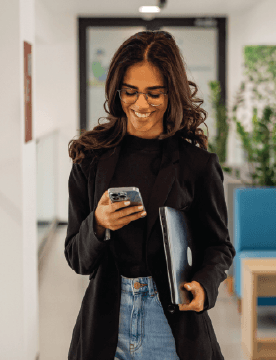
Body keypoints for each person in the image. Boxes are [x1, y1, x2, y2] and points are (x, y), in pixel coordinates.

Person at [65, 30, 235, 360]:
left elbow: (219, 245)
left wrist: (204, 285)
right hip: (106, 320)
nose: (142, 104)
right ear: (117, 91)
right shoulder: (89, 159)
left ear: (172, 93)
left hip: (171, 317)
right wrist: (98, 224)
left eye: (154, 94)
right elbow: (76, 258)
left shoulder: (197, 164)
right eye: (131, 92)